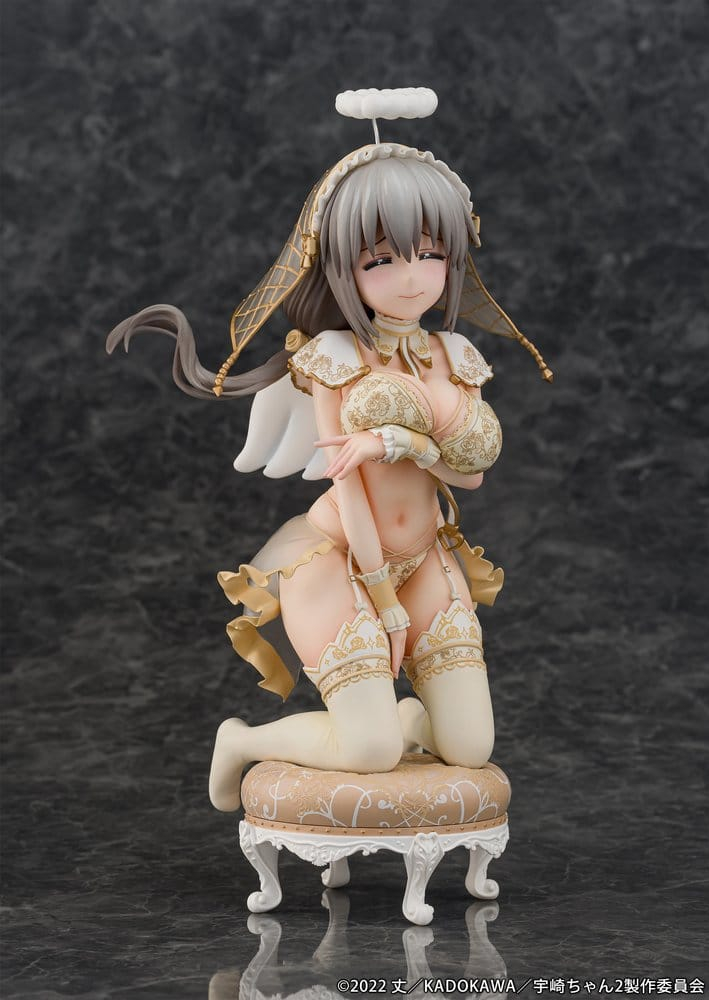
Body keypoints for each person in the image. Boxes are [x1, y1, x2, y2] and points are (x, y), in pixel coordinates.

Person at [106, 89, 552, 813]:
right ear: (343, 266)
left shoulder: (453, 355)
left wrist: (404, 440)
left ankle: (402, 718)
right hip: (341, 561)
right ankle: (244, 741)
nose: (411, 276)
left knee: (471, 747)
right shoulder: (332, 358)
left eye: (432, 253)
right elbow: (350, 488)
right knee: (371, 752)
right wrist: (386, 604)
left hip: (426, 556)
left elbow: (468, 477)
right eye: (382, 259)